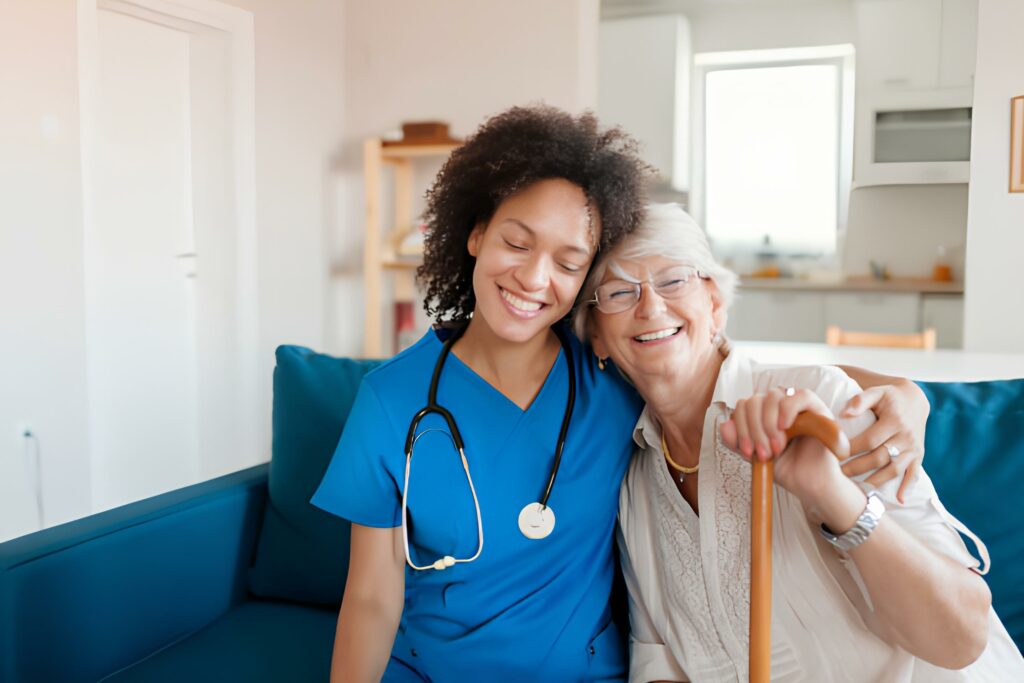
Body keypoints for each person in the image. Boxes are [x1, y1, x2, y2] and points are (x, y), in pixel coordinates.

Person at [312, 107, 927, 682]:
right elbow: (370, 597)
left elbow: (734, 366)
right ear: (475, 234)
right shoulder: (390, 402)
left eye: (568, 261)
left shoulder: (610, 373)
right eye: (517, 243)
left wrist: (905, 391)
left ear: (584, 281)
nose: (533, 278)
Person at [576, 203, 1024, 682]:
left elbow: (962, 639)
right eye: (620, 292)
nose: (650, 307)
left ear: (715, 304)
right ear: (597, 335)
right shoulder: (633, 482)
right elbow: (660, 664)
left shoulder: (824, 401)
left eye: (674, 280)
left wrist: (830, 492)